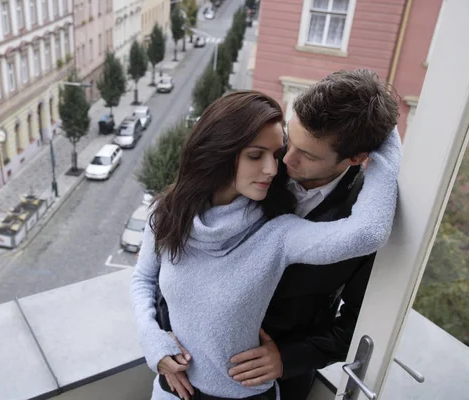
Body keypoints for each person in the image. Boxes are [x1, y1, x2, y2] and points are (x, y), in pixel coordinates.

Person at [130, 90, 402, 400]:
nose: (280, 165)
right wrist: (155, 340)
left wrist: (386, 135)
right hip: (175, 384)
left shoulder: (279, 230)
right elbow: (147, 279)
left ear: (355, 157)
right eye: (284, 145)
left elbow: (367, 239)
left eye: (304, 154)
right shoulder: (170, 210)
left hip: (257, 388)